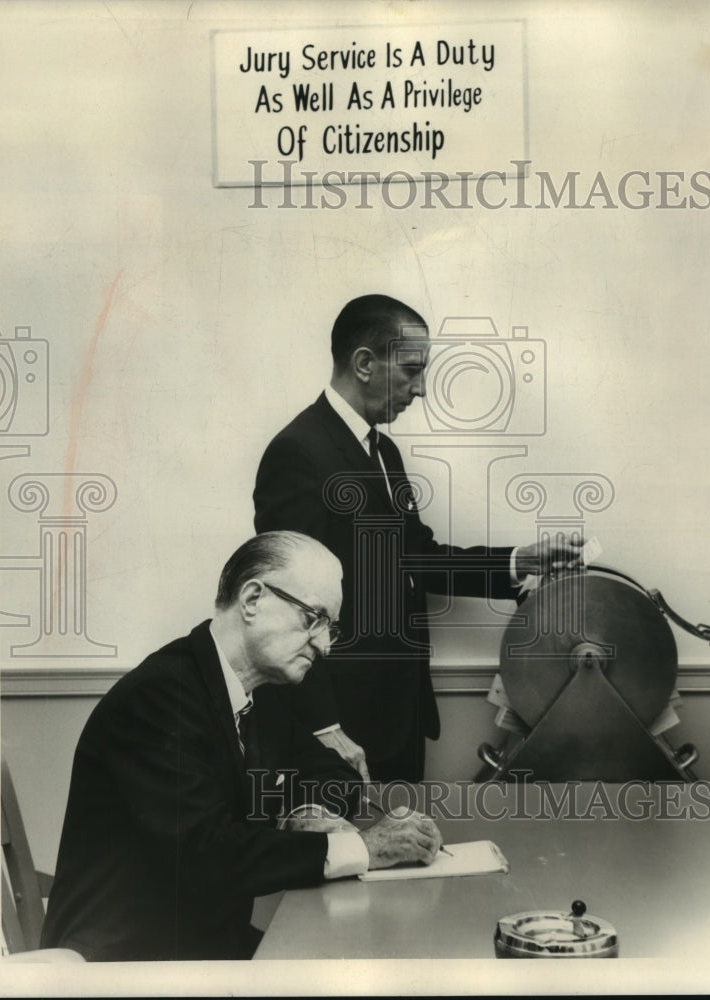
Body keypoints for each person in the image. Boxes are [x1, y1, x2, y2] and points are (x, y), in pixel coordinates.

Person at [40, 531, 443, 961]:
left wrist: (300, 811)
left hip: (202, 943)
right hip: (123, 963)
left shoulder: (257, 694)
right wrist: (365, 848)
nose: (325, 646)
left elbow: (336, 772)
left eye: (332, 628)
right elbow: (208, 856)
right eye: (314, 618)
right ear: (252, 599)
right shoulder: (158, 698)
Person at [253, 294, 582, 783]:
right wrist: (324, 725)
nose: (422, 389)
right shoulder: (297, 452)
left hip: (398, 715)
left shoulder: (382, 450)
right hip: (339, 727)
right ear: (364, 363)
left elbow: (415, 558)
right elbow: (288, 604)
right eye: (411, 370)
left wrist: (520, 562)